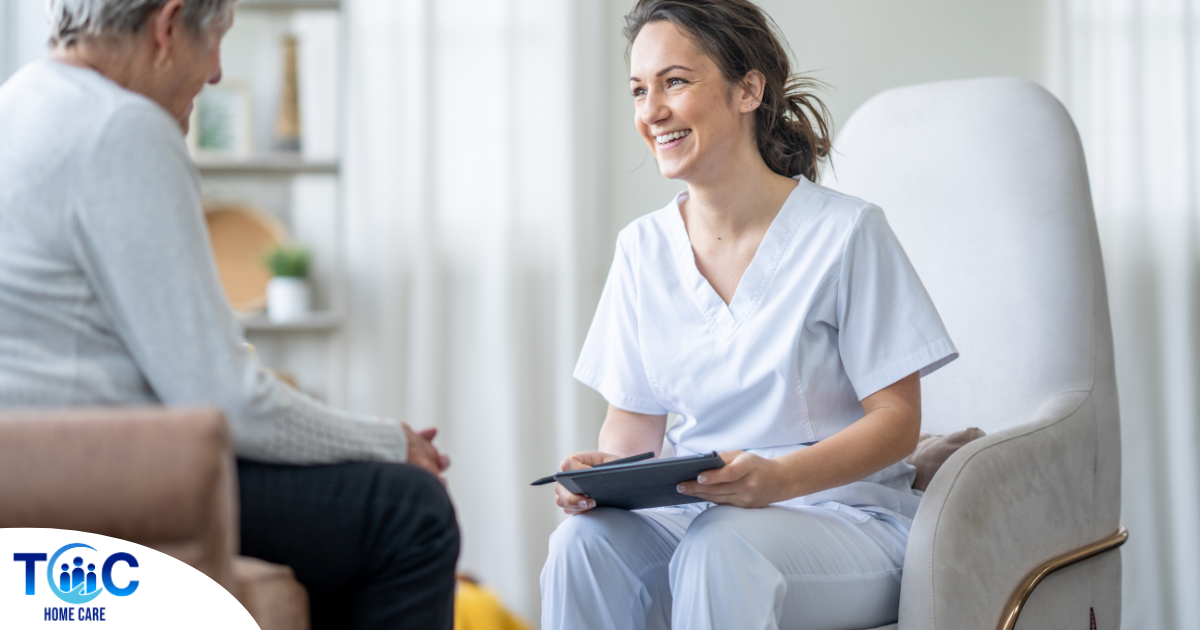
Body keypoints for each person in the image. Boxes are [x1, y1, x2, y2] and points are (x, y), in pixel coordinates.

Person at [0, 1, 458, 627]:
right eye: (218, 42)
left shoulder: (22, 99)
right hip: (95, 484)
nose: (216, 74)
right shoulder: (122, 128)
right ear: (168, 25)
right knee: (411, 511)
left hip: (31, 474)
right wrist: (389, 442)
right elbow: (226, 402)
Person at [540, 1, 958, 629]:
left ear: (749, 89)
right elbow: (631, 433)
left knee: (724, 547)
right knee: (582, 546)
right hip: (699, 518)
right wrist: (605, 479)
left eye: (674, 81)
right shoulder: (641, 249)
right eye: (638, 90)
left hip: (845, 521)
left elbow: (898, 422)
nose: (651, 111)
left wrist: (780, 479)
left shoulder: (846, 233)